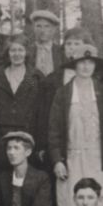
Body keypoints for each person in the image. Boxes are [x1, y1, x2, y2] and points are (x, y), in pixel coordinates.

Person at [49, 44, 103, 206]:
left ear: (95, 66)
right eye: (81, 62)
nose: (85, 67)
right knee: (72, 203)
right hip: (72, 159)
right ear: (74, 65)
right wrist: (57, 160)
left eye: (90, 63)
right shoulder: (63, 93)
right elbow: (54, 131)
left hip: (99, 158)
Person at [0, 34, 43, 206]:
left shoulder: (35, 77)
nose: (17, 54)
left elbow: (40, 113)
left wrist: (39, 143)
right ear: (8, 52)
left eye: (20, 50)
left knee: (22, 179)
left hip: (26, 135)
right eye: (13, 50)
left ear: (27, 53)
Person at [34, 27, 92, 173]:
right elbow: (42, 115)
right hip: (61, 144)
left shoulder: (99, 80)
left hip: (90, 142)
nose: (72, 48)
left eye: (77, 44)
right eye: (68, 44)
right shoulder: (51, 81)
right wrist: (42, 145)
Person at [29, 10, 64, 76]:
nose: (42, 30)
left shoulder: (61, 51)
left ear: (53, 29)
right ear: (34, 28)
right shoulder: (27, 51)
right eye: (38, 26)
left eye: (47, 26)